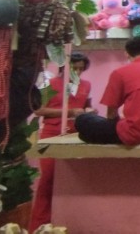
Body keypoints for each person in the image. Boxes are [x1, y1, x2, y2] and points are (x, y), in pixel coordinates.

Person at [30, 53, 93, 232]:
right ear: (65, 67)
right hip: (52, 133)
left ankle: (66, 223)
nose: (78, 72)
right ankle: (38, 225)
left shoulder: (86, 85)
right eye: (75, 68)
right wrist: (69, 112)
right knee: (48, 180)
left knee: (72, 181)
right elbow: (38, 110)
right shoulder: (49, 84)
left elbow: (87, 106)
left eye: (81, 68)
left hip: (77, 135)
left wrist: (89, 111)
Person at [75, 37, 140, 145]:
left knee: (82, 120)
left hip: (136, 133)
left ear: (127, 53)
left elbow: (111, 113)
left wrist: (116, 126)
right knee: (89, 131)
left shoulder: (120, 73)